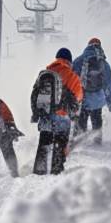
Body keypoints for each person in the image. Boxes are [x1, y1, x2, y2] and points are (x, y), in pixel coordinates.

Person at [30, 47, 83, 175]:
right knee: (59, 147)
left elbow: (34, 93)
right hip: (62, 118)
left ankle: (39, 171)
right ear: (69, 61)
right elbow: (78, 97)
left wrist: (36, 112)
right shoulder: (72, 76)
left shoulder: (46, 72)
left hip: (45, 115)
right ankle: (56, 172)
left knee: (43, 144)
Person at [72, 37, 111, 145]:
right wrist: (110, 102)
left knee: (81, 119)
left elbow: (71, 78)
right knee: (97, 118)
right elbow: (108, 84)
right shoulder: (104, 63)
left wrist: (71, 98)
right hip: (98, 99)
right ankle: (97, 141)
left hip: (83, 98)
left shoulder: (79, 60)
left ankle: (78, 142)